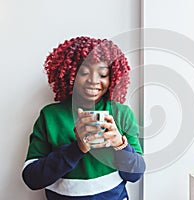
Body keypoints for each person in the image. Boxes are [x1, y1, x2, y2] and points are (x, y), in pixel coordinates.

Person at [22, 36, 145, 200]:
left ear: (113, 78)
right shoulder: (50, 116)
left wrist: (120, 145)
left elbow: (136, 174)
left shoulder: (121, 114)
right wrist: (77, 148)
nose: (93, 81)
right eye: (84, 72)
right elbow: (32, 178)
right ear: (70, 74)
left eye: (102, 74)